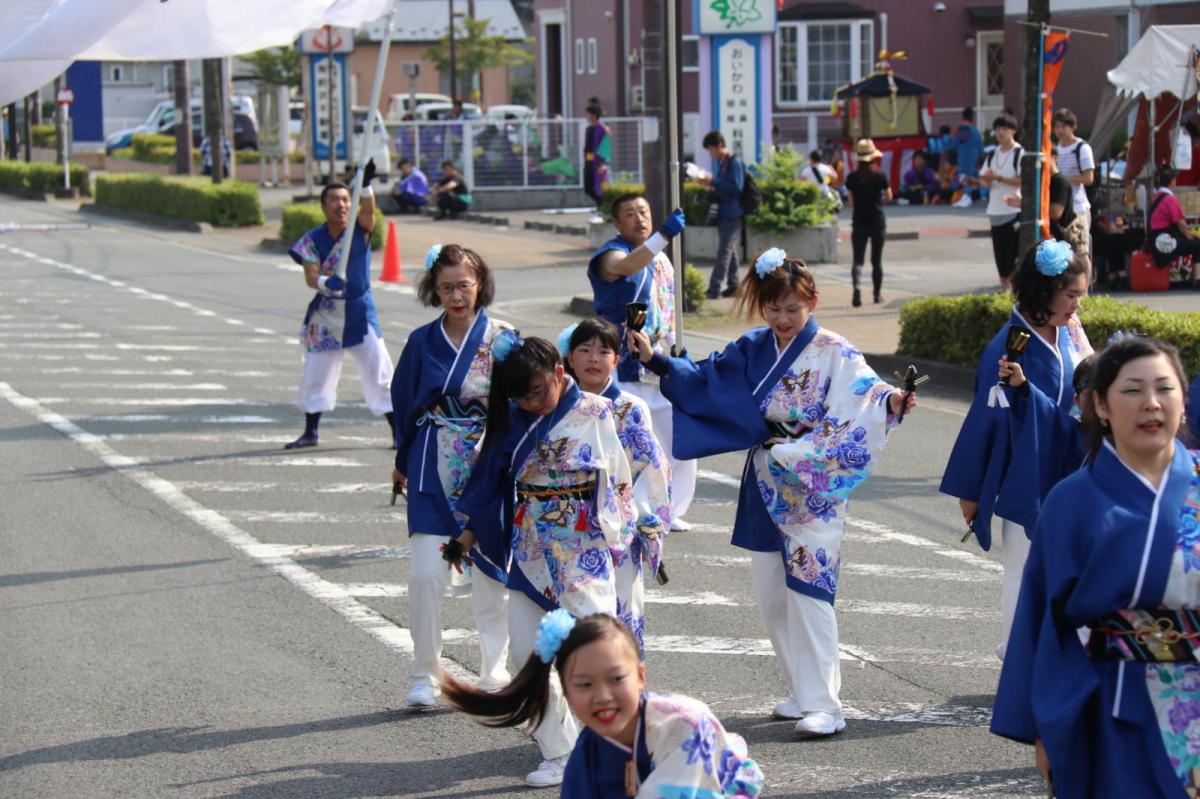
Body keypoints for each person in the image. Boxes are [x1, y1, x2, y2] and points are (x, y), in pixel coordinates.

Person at [627, 249, 917, 738]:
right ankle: (801, 689)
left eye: (792, 310)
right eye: (774, 309)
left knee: (809, 590)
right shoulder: (754, 346)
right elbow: (704, 379)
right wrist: (654, 358)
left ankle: (827, 703)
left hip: (810, 479)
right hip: (764, 473)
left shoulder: (833, 349)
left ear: (812, 303)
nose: (783, 319)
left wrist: (892, 399)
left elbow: (867, 391)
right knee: (770, 593)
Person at [991, 335, 1199, 799]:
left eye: (1165, 389)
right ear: (1101, 406)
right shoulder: (1073, 500)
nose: (1151, 403)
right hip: (1107, 703)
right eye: (1132, 390)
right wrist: (1040, 730)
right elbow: (1042, 618)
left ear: (1184, 401)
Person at [450, 334, 637, 787]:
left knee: (597, 652)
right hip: (531, 544)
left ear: (559, 373)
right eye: (521, 396)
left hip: (581, 545)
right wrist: (469, 534)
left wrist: (620, 538)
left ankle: (622, 751)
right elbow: (490, 478)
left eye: (538, 391)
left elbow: (618, 478)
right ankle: (559, 750)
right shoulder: (511, 418)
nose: (531, 403)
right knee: (524, 651)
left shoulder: (593, 412)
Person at [940, 239, 1093, 661]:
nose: (1077, 305)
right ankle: (1019, 658)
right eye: (1072, 295)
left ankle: (1045, 655)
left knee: (1065, 571)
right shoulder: (1008, 347)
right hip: (1027, 470)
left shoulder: (1066, 331)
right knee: (1024, 573)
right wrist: (971, 491)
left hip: (1065, 461)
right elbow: (984, 423)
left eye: (1081, 295)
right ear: (1045, 292)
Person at [440, 611, 764, 797]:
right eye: (583, 684)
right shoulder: (588, 750)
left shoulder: (685, 725)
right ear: (564, 692)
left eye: (616, 679)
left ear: (641, 675)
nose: (602, 696)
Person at [389, 243, 512, 708]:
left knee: (492, 574)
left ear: (479, 284)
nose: (457, 296)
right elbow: (403, 401)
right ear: (433, 290)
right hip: (430, 461)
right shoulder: (422, 341)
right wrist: (402, 456)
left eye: (464, 285)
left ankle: (494, 669)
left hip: (487, 463)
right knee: (426, 574)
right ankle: (425, 672)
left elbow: (521, 403)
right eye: (446, 287)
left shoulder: (504, 337)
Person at [560, 318, 673, 645]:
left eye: (603, 351)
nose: (594, 358)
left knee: (624, 604)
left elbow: (652, 467)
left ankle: (627, 690)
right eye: (584, 350)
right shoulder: (558, 404)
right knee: (571, 608)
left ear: (616, 360)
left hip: (620, 519)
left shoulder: (631, 407)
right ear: (570, 359)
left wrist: (654, 519)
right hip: (568, 519)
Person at [588, 194, 696, 532]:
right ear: (617, 223)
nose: (639, 218)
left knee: (681, 442)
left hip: (660, 363)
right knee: (632, 446)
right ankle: (634, 510)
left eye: (644, 212)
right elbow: (628, 266)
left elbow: (667, 308)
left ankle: (672, 508)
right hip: (625, 366)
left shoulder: (662, 260)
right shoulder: (609, 255)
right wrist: (663, 234)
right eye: (630, 214)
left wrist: (676, 348)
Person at [285, 167, 394, 449]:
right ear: (323, 206)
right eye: (334, 199)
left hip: (359, 311)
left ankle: (399, 433)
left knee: (379, 368)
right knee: (316, 372)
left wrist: (366, 186)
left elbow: (369, 211)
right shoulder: (312, 240)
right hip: (327, 314)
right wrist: (325, 281)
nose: (341, 204)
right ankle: (311, 432)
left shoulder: (360, 231)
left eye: (346, 199)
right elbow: (310, 277)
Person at [844, 138, 892, 307]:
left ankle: (856, 289)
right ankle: (877, 295)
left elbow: (851, 200)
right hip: (877, 221)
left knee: (858, 260)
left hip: (859, 222)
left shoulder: (852, 177)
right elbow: (889, 196)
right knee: (876, 261)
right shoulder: (880, 175)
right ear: (873, 156)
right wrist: (878, 202)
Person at [699, 130, 745, 299]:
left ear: (719, 145)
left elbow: (736, 187)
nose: (710, 154)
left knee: (724, 251)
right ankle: (734, 285)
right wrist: (711, 185)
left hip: (732, 213)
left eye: (711, 150)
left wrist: (714, 181)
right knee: (730, 250)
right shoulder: (723, 163)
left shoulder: (734, 163)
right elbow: (724, 187)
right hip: (725, 213)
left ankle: (714, 287)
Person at [980, 114, 1024, 291]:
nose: (1000, 133)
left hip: (1013, 209)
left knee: (1011, 252)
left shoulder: (1019, 153)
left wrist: (997, 177)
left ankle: (1013, 290)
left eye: (1004, 129)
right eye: (997, 129)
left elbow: (1022, 180)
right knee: (999, 253)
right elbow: (984, 179)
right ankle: (1004, 288)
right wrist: (985, 180)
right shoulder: (992, 154)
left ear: (1013, 131)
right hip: (994, 209)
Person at [1147, 164, 1200, 266]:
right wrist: (1190, 236)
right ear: (1172, 181)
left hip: (1154, 240)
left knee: (1194, 242)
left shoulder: (1156, 196)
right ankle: (1197, 279)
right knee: (1197, 245)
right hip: (1162, 242)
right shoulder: (1170, 199)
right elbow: (1181, 224)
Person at [1053, 107, 1096, 229]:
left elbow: (1089, 178)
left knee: (1079, 247)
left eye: (1063, 126)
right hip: (1059, 208)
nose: (1060, 130)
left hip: (1078, 208)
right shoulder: (1055, 149)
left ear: (1073, 127)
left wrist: (1063, 180)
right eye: (1057, 127)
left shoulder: (1082, 148)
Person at [583, 101, 612, 204]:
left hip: (599, 163)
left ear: (594, 115)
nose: (586, 116)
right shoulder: (588, 129)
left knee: (599, 189)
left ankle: (601, 208)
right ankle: (601, 207)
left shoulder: (603, 129)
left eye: (588, 114)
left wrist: (604, 163)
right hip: (589, 161)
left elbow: (606, 146)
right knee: (588, 188)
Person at [956, 107, 984, 197]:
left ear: (962, 117)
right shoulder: (976, 131)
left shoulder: (962, 129)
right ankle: (974, 195)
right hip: (974, 159)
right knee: (973, 179)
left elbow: (956, 144)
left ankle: (966, 195)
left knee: (964, 178)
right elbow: (980, 149)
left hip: (964, 159)